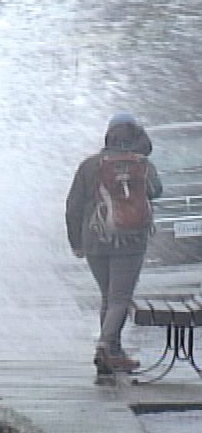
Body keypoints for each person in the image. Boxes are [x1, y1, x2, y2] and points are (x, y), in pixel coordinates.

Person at [66, 113, 163, 372]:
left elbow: (73, 205)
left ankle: (113, 355)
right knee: (120, 298)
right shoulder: (142, 164)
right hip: (131, 241)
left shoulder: (89, 165)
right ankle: (105, 345)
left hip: (95, 239)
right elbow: (156, 191)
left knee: (109, 297)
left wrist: (76, 242)